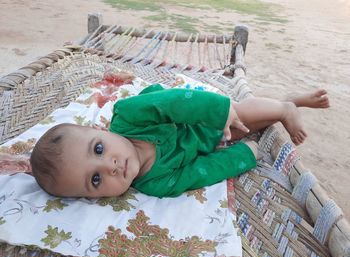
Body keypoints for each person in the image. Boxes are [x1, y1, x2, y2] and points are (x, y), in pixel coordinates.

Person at [30, 84, 329, 198]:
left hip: (194, 113)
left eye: (98, 149)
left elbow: (174, 102)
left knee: (239, 113)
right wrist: (243, 156)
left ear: (104, 131)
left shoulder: (128, 117)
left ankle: (285, 108)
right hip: (204, 141)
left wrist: (220, 110)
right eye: (95, 180)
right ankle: (286, 100)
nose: (109, 166)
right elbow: (199, 172)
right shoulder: (154, 183)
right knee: (241, 132)